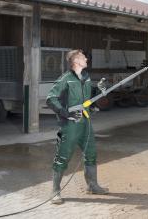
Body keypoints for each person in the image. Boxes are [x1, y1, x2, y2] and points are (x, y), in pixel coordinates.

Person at [46, 49, 109, 205]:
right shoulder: (65, 79)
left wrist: (99, 89)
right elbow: (51, 99)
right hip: (70, 126)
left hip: (86, 123)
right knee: (63, 157)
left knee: (91, 153)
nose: (86, 58)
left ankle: (92, 185)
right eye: (83, 57)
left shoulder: (86, 78)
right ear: (75, 61)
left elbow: (88, 96)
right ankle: (55, 191)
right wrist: (65, 113)